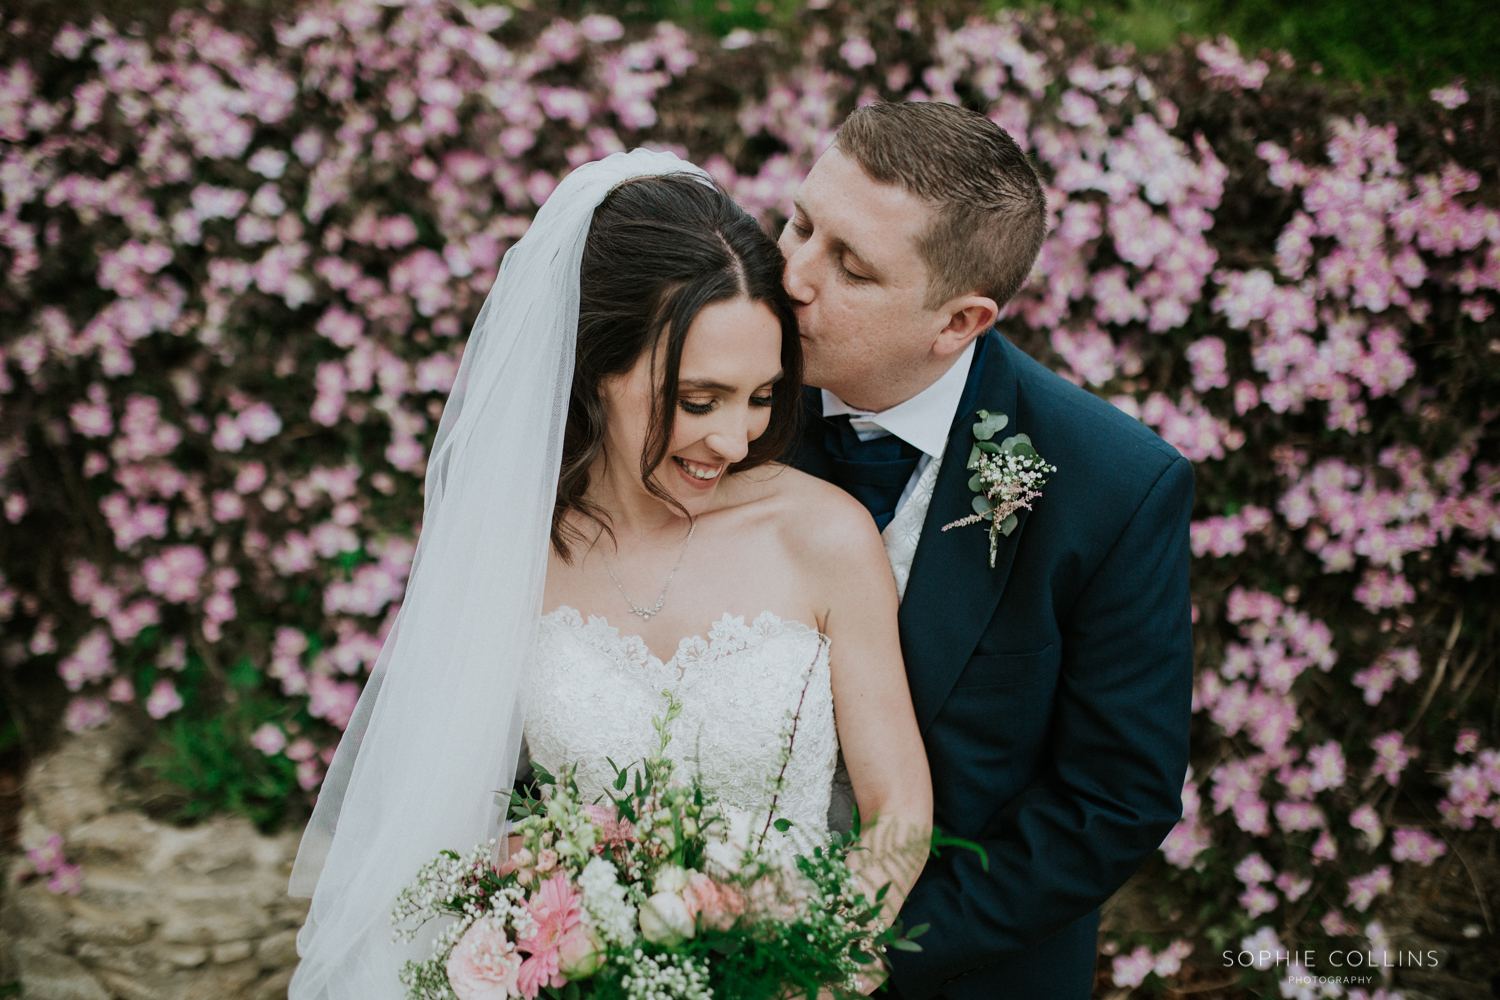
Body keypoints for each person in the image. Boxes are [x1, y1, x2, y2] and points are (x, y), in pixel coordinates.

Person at [288, 150, 931, 998]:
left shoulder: (824, 537)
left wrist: (812, 963)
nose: (735, 439)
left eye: (763, 396)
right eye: (698, 401)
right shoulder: (513, 552)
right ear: (597, 368)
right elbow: (453, 805)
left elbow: (899, 817)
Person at [784, 102, 1194, 1000]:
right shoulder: (716, 407)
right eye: (801, 224)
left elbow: (1112, 799)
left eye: (850, 266)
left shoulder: (1115, 489)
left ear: (959, 321)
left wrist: (864, 955)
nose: (793, 276)